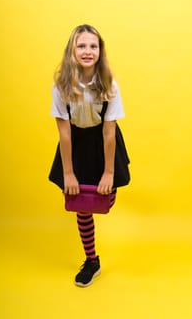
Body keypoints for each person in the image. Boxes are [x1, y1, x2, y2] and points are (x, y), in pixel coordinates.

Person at [49, 24, 130, 287]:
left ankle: (103, 185)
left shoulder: (109, 84)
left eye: (93, 46)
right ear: (71, 50)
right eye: (81, 45)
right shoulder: (61, 85)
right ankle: (91, 260)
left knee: (105, 198)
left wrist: (108, 172)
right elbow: (64, 133)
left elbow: (109, 132)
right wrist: (69, 173)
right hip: (76, 145)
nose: (87, 51)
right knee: (82, 206)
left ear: (100, 50)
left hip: (103, 144)